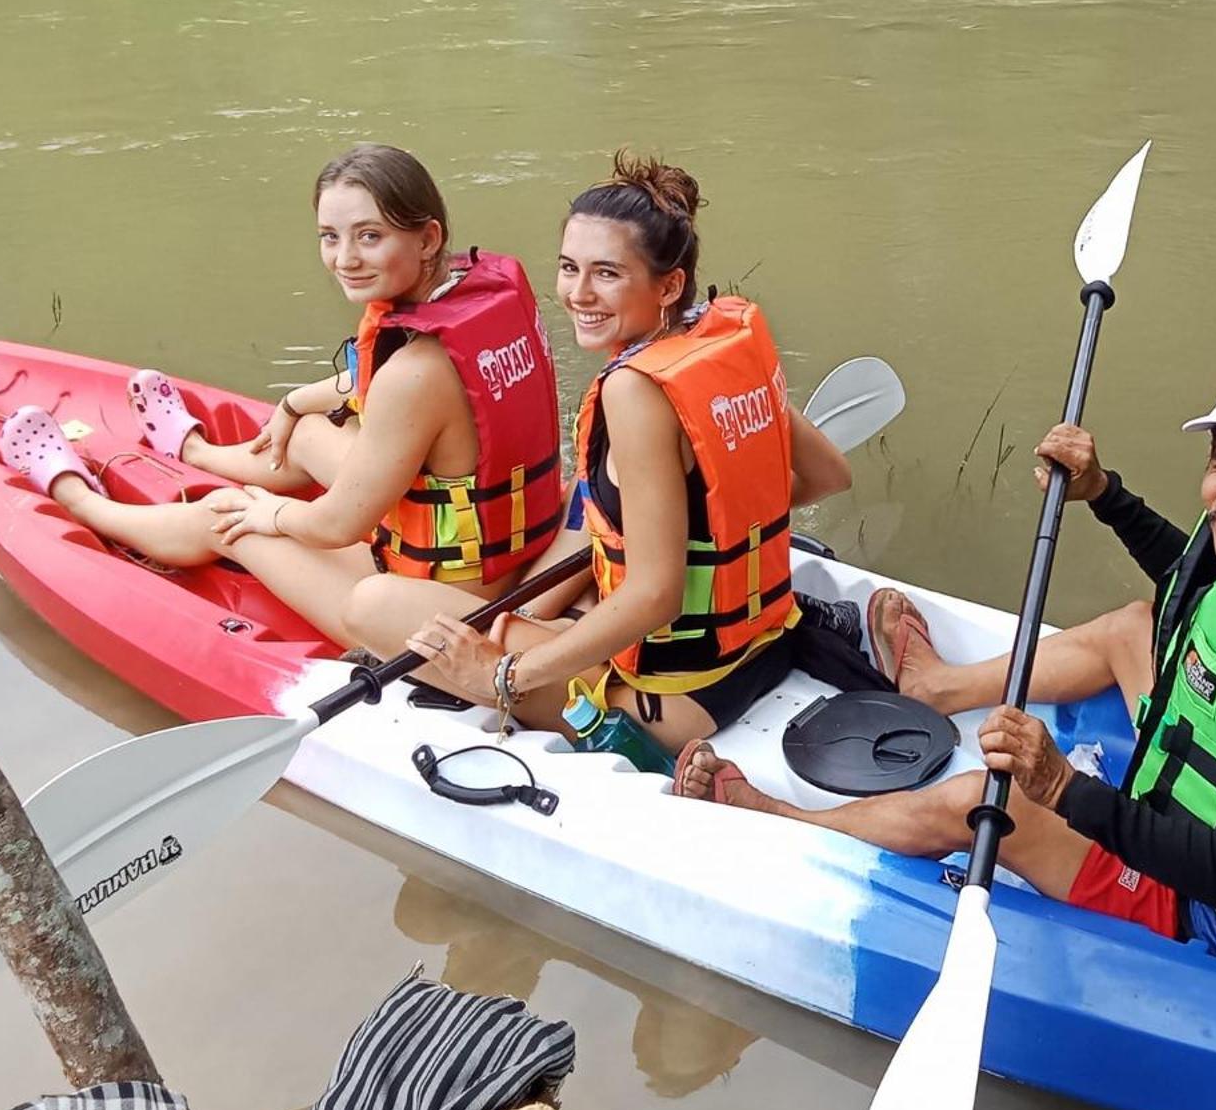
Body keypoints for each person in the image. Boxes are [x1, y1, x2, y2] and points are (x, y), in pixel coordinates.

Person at [674, 367, 1216, 965]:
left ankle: (777, 815)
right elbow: (1191, 590)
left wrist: (1062, 789)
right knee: (1134, 626)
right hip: (1204, 809)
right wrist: (1103, 492)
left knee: (975, 802)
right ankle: (934, 687)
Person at [347, 150, 854, 765]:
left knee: (373, 604)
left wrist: (505, 675)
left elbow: (657, 597)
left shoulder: (635, 390)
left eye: (607, 274)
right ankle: (546, 617)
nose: (577, 294)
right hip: (767, 643)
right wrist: (696, 527)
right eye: (568, 268)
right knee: (568, 530)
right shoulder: (715, 345)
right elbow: (829, 474)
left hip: (675, 699)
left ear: (667, 285)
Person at [0, 144, 563, 647]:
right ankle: (194, 452)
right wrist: (295, 403)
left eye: (370, 236)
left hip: (430, 600)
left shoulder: (415, 373)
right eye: (330, 237)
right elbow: (400, 388)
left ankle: (81, 501)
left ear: (427, 237)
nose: (345, 258)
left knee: (228, 516)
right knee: (313, 430)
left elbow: (335, 526)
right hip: (502, 550)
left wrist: (267, 512)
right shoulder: (485, 298)